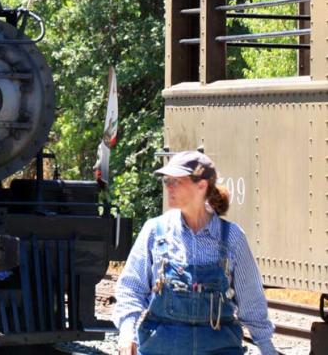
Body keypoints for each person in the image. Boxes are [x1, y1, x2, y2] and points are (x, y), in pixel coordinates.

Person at [113, 151, 276, 355]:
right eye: (167, 181)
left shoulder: (231, 237)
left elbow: (252, 302)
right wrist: (127, 335)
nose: (169, 188)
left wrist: (267, 348)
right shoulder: (155, 231)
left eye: (177, 181)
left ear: (202, 186)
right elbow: (131, 289)